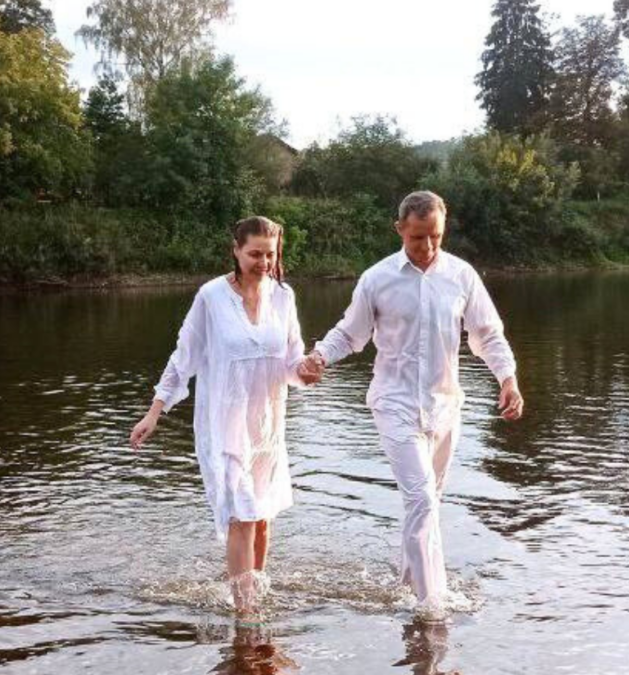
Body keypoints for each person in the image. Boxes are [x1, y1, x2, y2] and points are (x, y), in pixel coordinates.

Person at [306, 190, 523, 618]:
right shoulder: (377, 278)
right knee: (422, 499)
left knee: (428, 502)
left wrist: (508, 379)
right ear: (400, 229)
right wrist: (318, 357)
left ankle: (408, 585)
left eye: (436, 237)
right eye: (418, 238)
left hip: (445, 407)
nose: (427, 247)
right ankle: (432, 608)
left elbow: (487, 334)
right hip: (394, 404)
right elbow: (351, 333)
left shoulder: (461, 276)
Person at [129, 216, 320, 614]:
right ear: (235, 249)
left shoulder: (284, 296)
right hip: (224, 425)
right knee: (243, 514)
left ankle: (256, 594)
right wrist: (154, 412)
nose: (264, 262)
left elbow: (290, 362)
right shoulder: (211, 297)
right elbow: (183, 359)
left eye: (270, 254)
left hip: (267, 426)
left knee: (263, 516)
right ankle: (244, 611)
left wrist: (307, 371)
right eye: (254, 254)